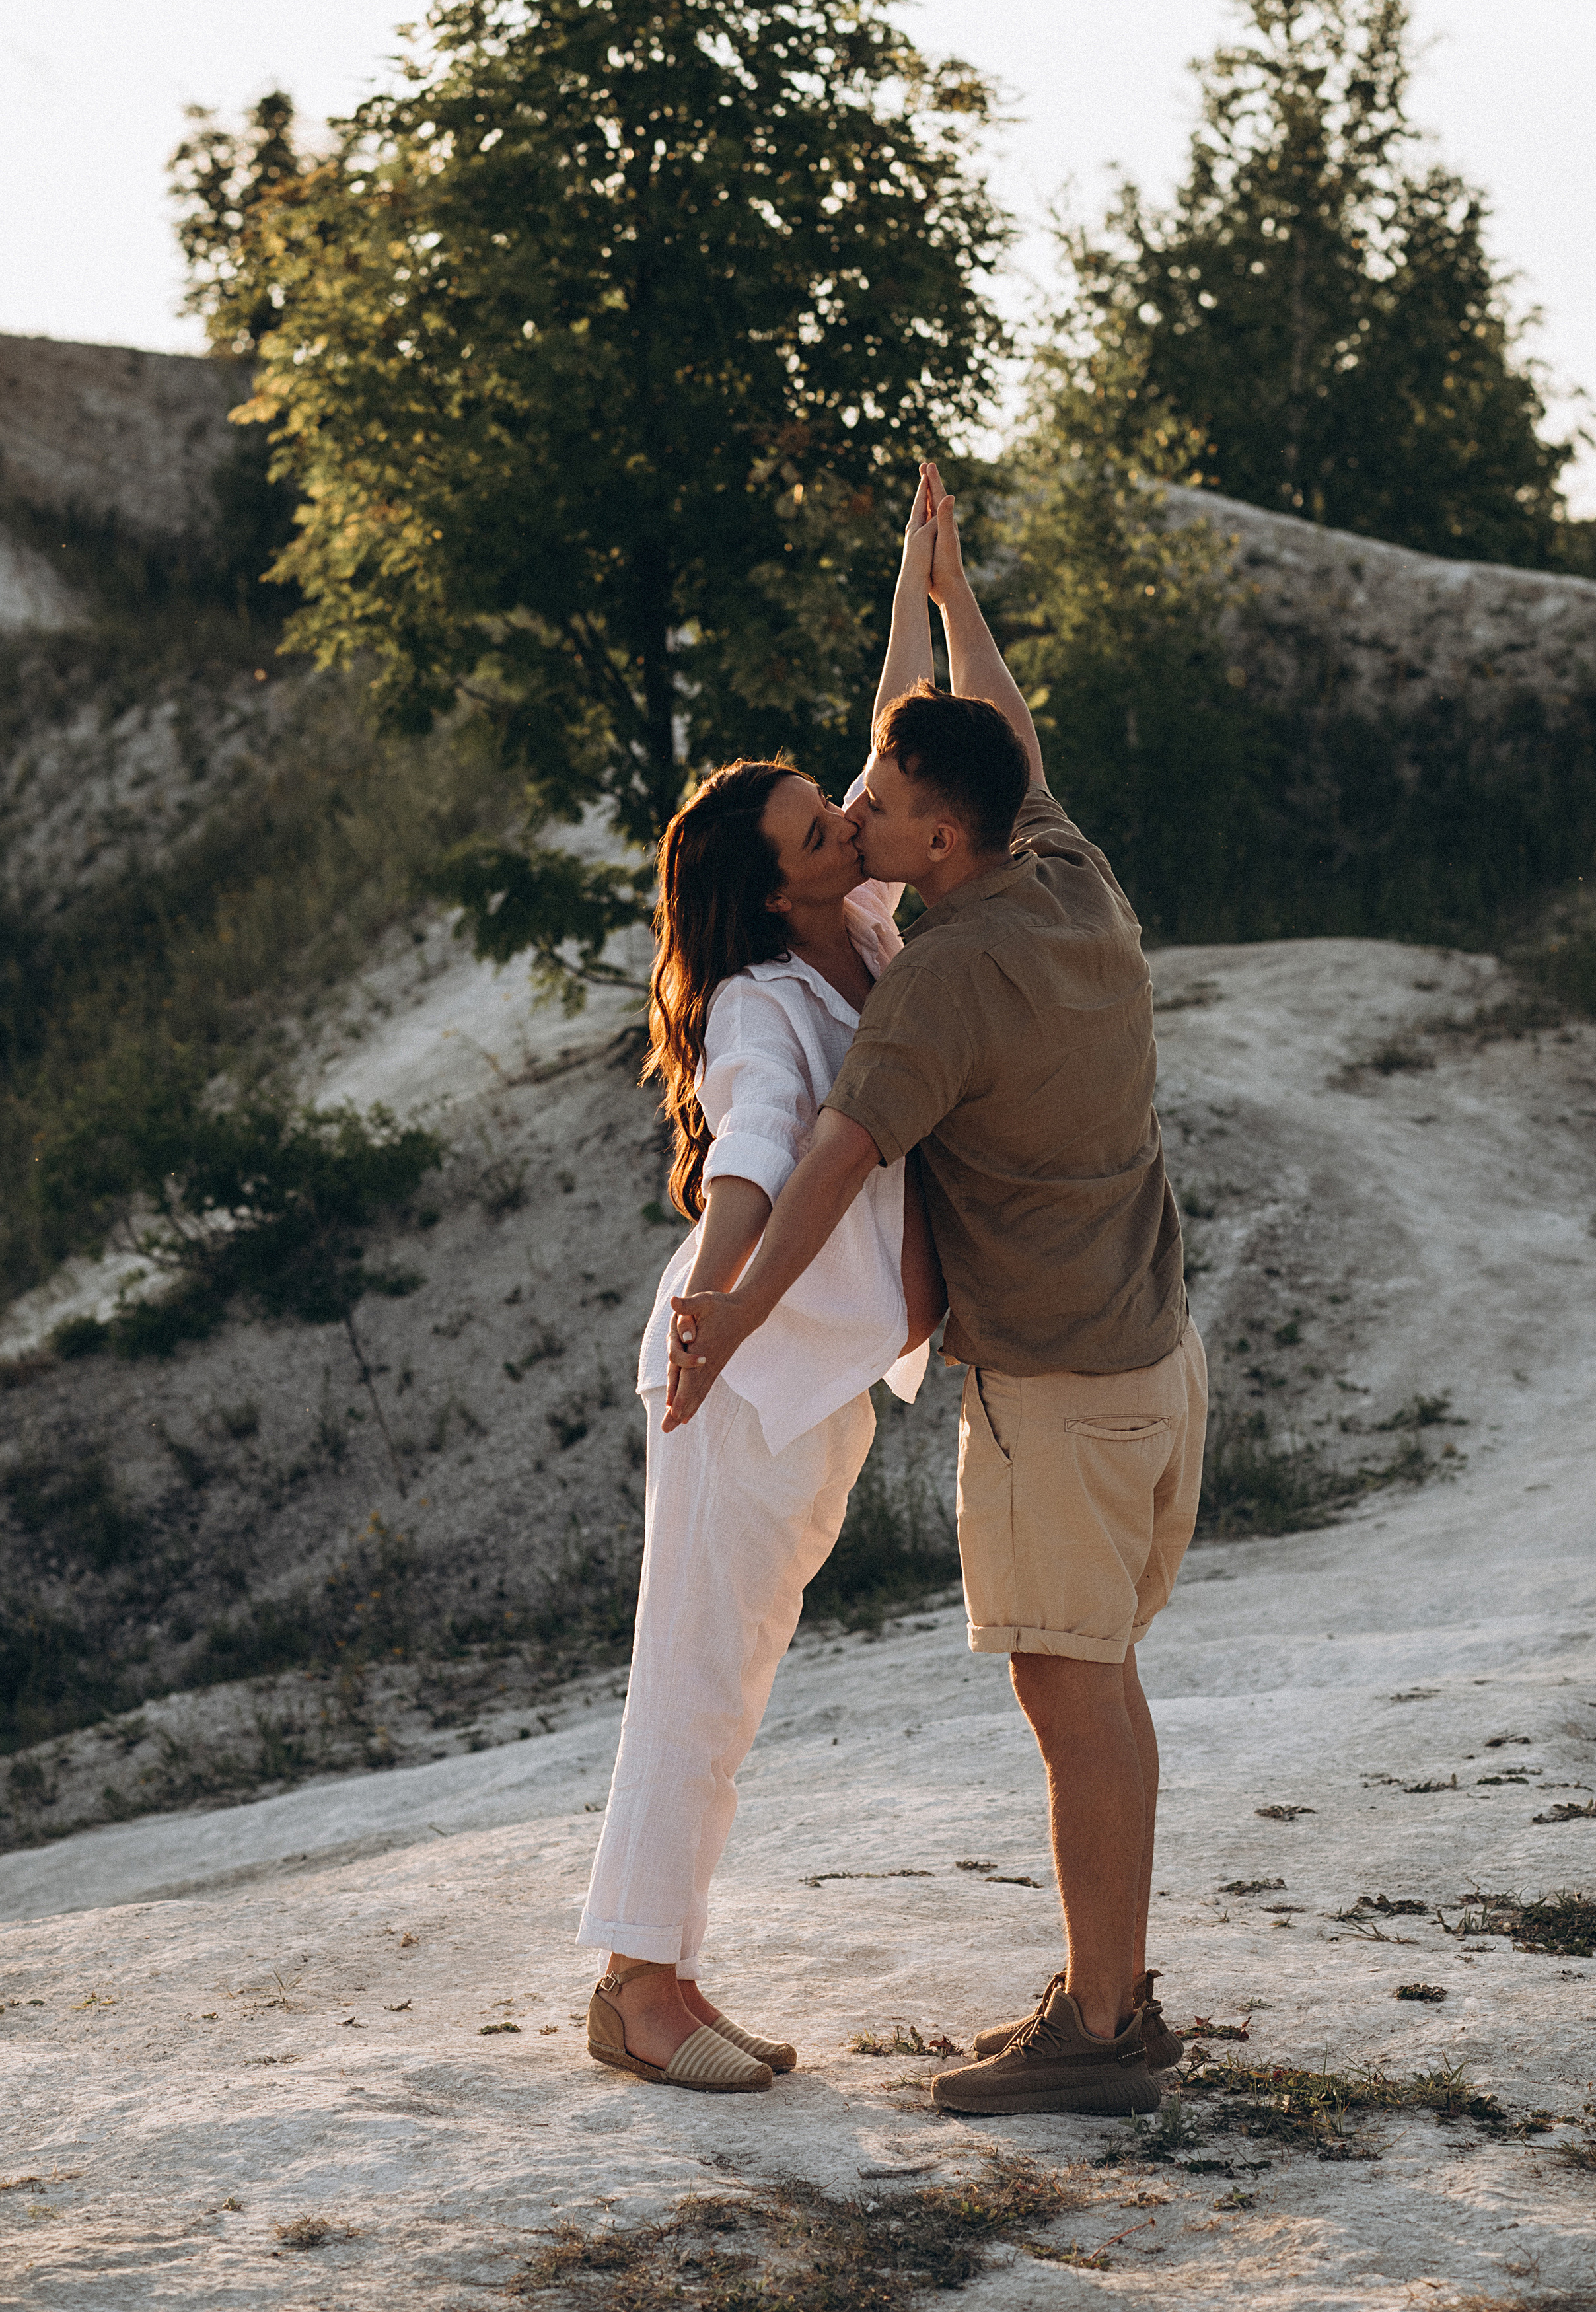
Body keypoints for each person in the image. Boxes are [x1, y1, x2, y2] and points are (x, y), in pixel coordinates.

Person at [667, 464, 1207, 2120]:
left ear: (939, 839)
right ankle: (1106, 1995)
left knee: (1071, 1692)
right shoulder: (1061, 871)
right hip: (1155, 1358)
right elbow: (1010, 743)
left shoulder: (940, 988)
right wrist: (944, 592)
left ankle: (1100, 2034)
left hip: (1054, 1386)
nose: (861, 824)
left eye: (882, 811)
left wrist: (730, 1318)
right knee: (1096, 1677)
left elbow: (826, 1158)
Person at [576, 474, 949, 2095]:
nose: (850, 819)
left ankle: (659, 1967)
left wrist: (917, 584)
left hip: (811, 1370)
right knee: (696, 1671)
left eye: (838, 808)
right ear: (776, 878)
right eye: (819, 826)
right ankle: (639, 1988)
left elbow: (888, 729)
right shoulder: (753, 1000)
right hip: (737, 1363)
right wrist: (715, 1311)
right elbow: (755, 1155)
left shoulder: (854, 925)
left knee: (730, 1673)